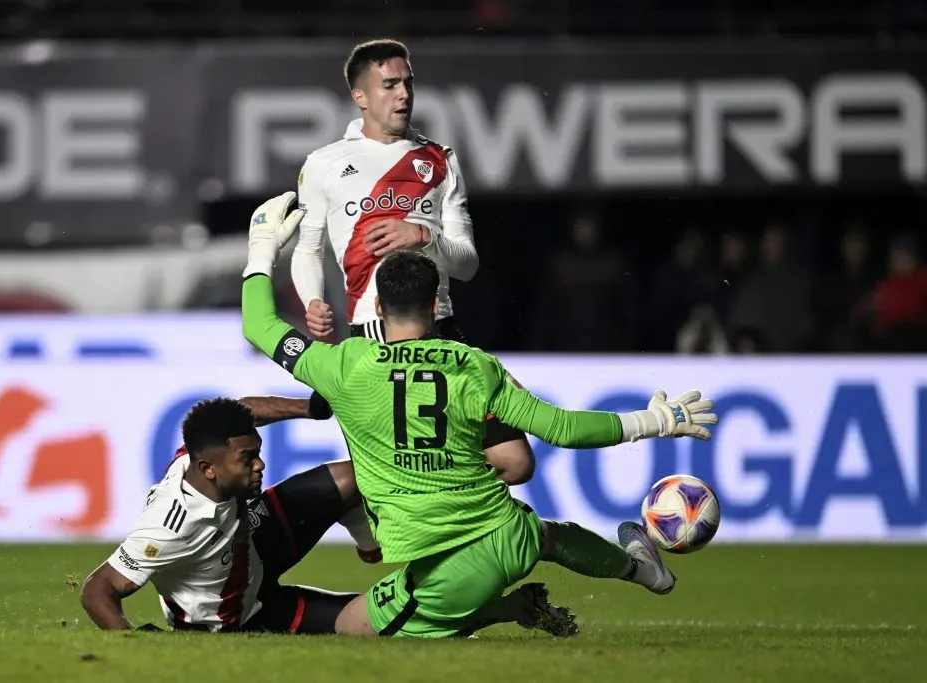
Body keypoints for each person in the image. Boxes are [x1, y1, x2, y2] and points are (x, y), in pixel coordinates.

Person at [242, 192, 720, 638]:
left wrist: (263, 249)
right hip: (510, 534)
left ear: (379, 308)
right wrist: (657, 420)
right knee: (549, 537)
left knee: (347, 627)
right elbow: (563, 429)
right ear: (434, 305)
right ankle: (641, 569)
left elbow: (259, 325)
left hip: (443, 568)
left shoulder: (344, 365)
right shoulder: (475, 365)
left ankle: (499, 609)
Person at [80, 393, 560, 634]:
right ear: (208, 468)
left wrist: (311, 408)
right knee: (384, 623)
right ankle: (508, 609)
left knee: (355, 477)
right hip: (239, 615)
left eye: (256, 451)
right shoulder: (171, 526)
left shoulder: (202, 457)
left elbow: (243, 409)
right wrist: (131, 641)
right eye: (247, 459)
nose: (259, 464)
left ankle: (367, 536)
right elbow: (98, 590)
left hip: (252, 541)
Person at [289, 38, 540, 490]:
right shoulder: (324, 164)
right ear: (360, 97)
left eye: (408, 82)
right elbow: (307, 249)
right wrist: (312, 300)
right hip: (373, 337)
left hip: (442, 329)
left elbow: (467, 265)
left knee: (515, 462)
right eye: (389, 84)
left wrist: (423, 236)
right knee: (394, 481)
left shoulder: (439, 160)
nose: (404, 93)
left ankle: (463, 521)